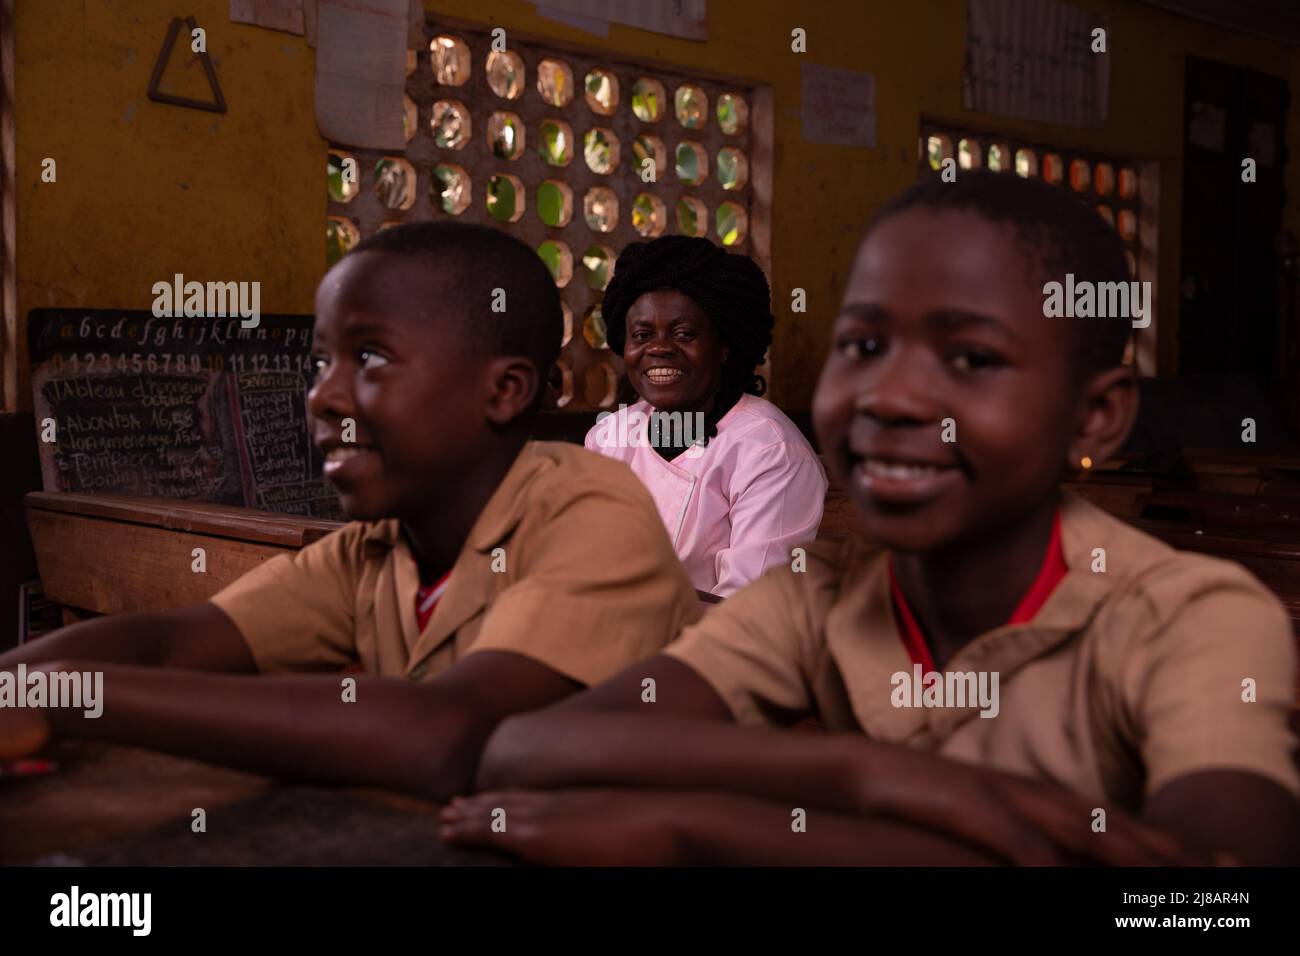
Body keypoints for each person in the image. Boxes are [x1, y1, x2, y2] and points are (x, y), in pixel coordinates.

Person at [444, 173, 1299, 866]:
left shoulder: (1197, 624)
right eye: (864, 344)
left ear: (1094, 418)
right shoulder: (805, 611)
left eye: (971, 358)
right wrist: (880, 779)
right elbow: (526, 754)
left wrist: (700, 823)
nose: (893, 397)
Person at [0, 222, 701, 800]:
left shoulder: (593, 513)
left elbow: (444, 735)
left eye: (368, 357)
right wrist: (12, 682)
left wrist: (70, 696)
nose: (322, 397)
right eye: (319, 363)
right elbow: (173, 643)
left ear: (505, 390)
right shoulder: (375, 549)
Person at [585, 236, 826, 598]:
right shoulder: (610, 437)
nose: (659, 348)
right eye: (642, 334)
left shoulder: (769, 450)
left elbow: (749, 612)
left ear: (724, 346)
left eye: (684, 334)